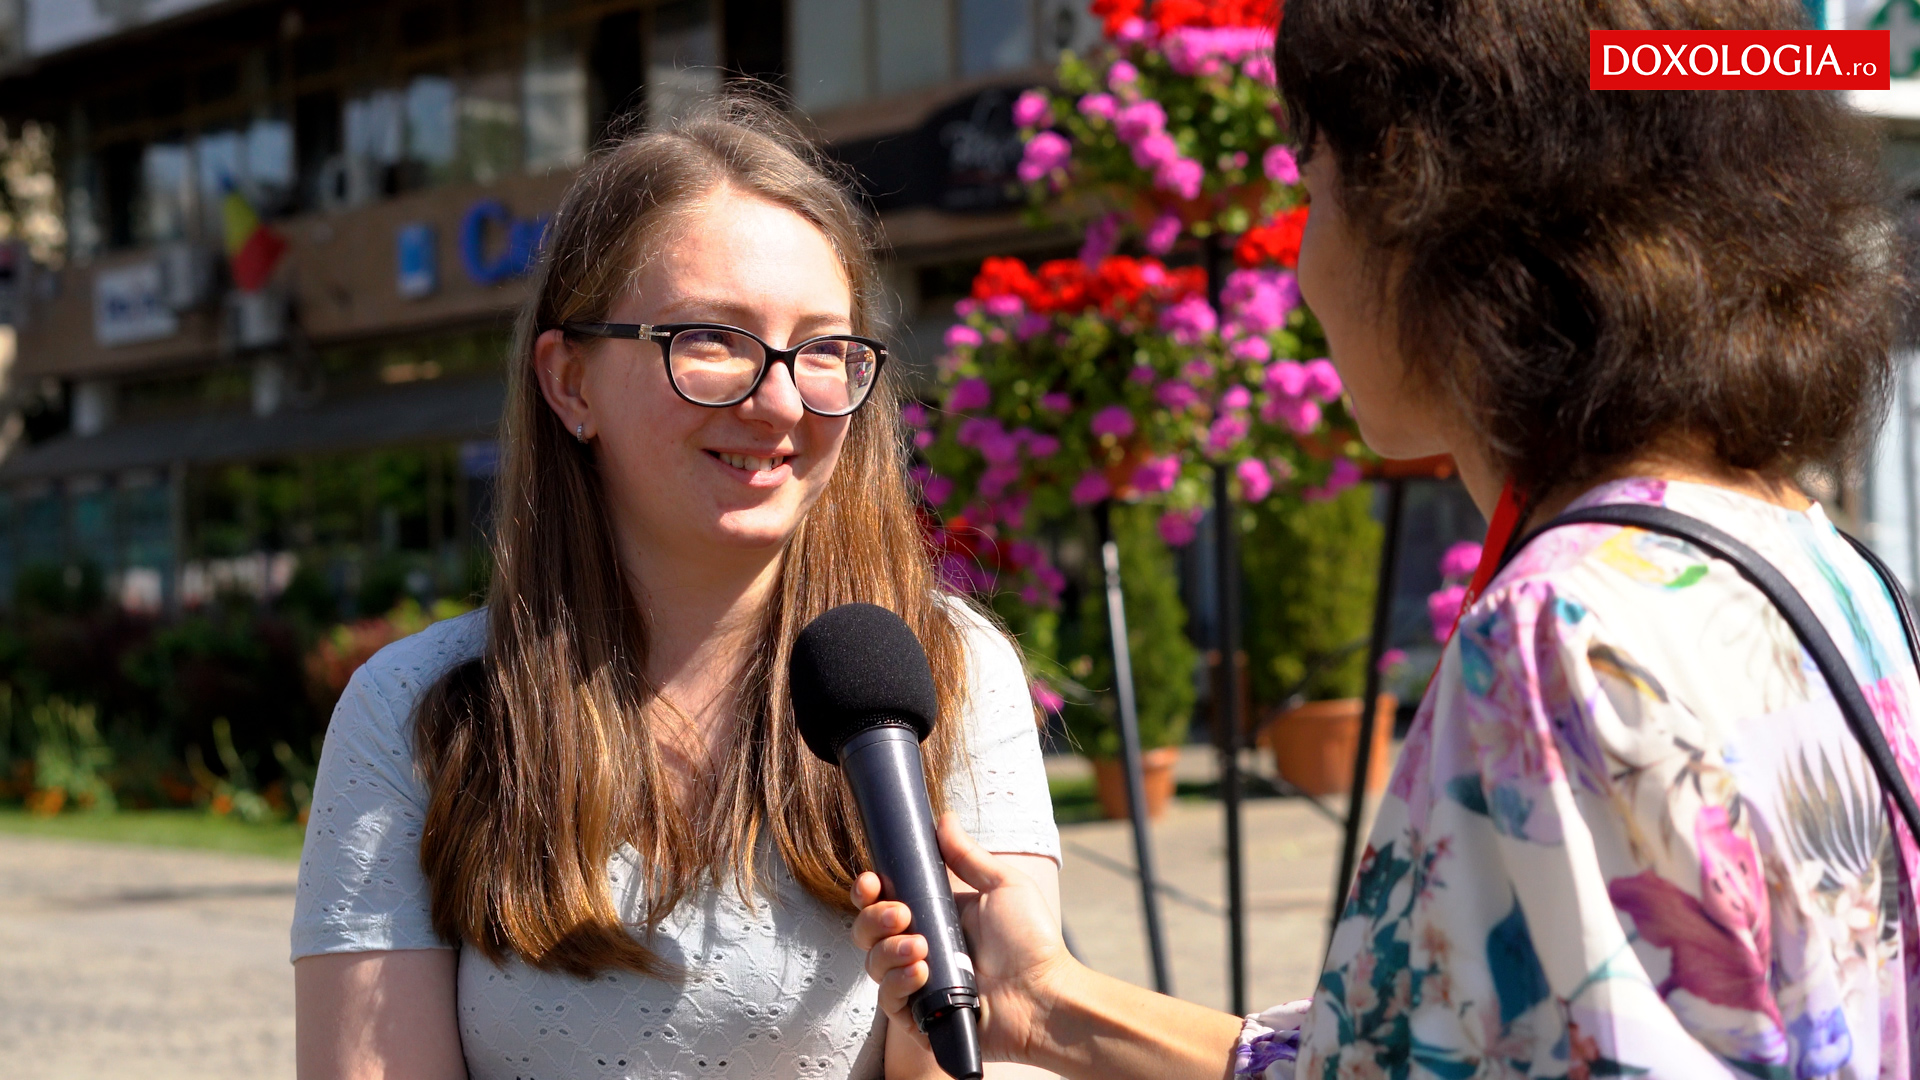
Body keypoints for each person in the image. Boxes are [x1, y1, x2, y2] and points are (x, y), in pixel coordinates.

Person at [854, 0, 1920, 1076]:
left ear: (1437, 221)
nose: (1304, 270)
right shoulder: (1815, 560)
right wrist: (1049, 1000)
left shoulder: (1561, 631)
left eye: (1313, 195)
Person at [290, 101, 1063, 1080]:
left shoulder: (940, 673)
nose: (781, 399)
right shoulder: (416, 709)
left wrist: (939, 1013)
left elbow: (1006, 1047)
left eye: (823, 348)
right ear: (570, 383)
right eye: (713, 340)